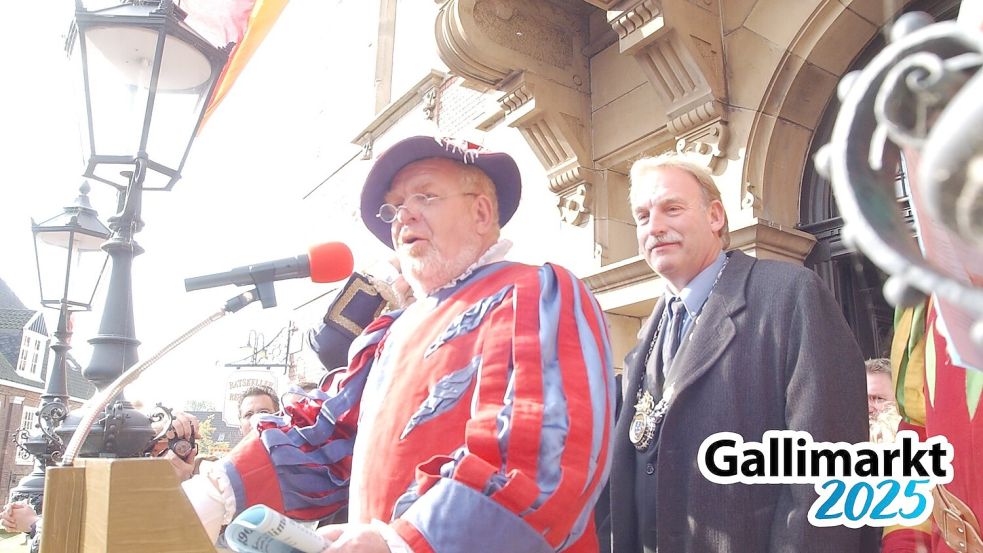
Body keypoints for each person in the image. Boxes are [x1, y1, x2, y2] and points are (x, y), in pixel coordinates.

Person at [182, 136, 615, 552]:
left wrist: (403, 543)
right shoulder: (388, 332)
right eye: (394, 207)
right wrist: (215, 491)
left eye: (425, 195)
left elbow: (539, 458)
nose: (402, 216)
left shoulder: (532, 292)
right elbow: (327, 434)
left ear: (482, 212)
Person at [608, 153, 869, 552]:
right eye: (642, 217)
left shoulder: (789, 295)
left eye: (672, 209)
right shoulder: (647, 336)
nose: (655, 227)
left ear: (715, 216)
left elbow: (827, 468)